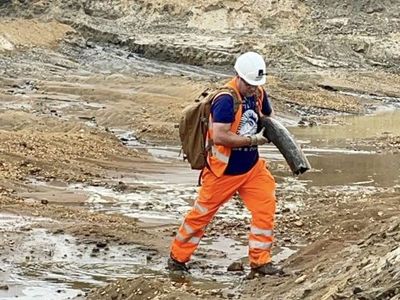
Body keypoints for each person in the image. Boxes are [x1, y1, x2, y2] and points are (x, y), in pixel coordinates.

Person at [168, 51, 283, 277]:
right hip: (223, 172)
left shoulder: (258, 93)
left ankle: (260, 261)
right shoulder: (225, 100)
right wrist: (253, 139)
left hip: (251, 168)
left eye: (256, 84)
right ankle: (177, 258)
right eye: (250, 84)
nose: (253, 88)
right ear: (238, 76)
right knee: (200, 216)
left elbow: (267, 116)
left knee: (265, 207)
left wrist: (267, 130)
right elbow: (220, 136)